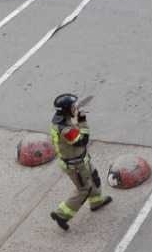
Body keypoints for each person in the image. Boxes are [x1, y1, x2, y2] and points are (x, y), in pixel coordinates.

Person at [48, 93, 112, 231]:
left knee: (94, 177)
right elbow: (82, 140)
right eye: (73, 106)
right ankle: (61, 215)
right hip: (75, 165)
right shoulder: (65, 129)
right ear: (66, 110)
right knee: (84, 189)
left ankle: (96, 202)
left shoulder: (61, 121)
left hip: (81, 159)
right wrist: (82, 121)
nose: (75, 108)